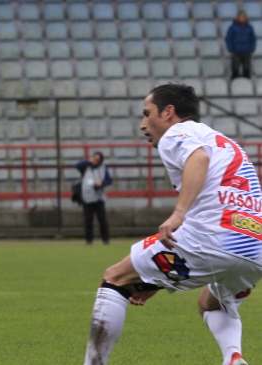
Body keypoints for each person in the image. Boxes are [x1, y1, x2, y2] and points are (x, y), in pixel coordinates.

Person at [83, 83, 261, 365]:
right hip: (253, 248)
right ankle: (233, 357)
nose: (143, 124)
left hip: (213, 237)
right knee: (210, 303)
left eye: (146, 113)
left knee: (115, 279)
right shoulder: (227, 143)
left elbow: (198, 159)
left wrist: (179, 213)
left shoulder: (177, 132)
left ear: (168, 112)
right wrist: (155, 278)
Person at [75, 152, 112, 245]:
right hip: (87, 198)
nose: (95, 161)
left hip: (99, 198)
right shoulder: (86, 167)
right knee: (88, 220)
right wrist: (88, 160)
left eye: (97, 160)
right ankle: (89, 240)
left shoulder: (103, 168)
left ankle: (105, 239)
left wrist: (102, 183)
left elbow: (109, 180)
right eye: (94, 159)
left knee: (102, 220)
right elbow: (77, 165)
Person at [225, 10, 257, 79]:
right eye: (241, 16)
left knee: (247, 70)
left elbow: (253, 39)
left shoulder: (249, 27)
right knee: (235, 69)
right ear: (238, 17)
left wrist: (252, 49)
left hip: (247, 52)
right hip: (236, 51)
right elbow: (228, 39)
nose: (242, 18)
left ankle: (247, 86)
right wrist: (231, 49)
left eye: (243, 17)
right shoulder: (232, 27)